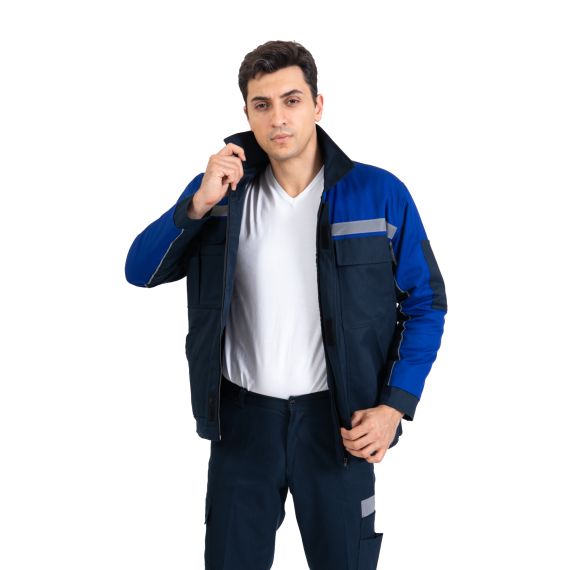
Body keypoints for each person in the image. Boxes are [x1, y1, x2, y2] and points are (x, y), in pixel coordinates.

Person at [125, 39, 447, 570]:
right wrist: (199, 202)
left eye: (292, 101)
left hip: (338, 426)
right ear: (247, 114)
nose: (278, 118)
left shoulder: (379, 193)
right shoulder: (221, 195)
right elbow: (140, 270)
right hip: (242, 426)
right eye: (263, 104)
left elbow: (426, 304)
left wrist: (394, 406)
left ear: (317, 105)